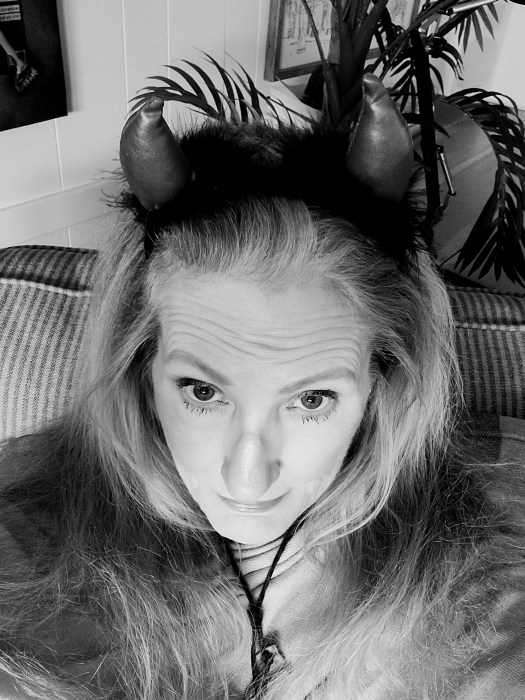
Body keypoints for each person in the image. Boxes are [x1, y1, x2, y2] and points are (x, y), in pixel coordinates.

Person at [0, 69, 524, 700]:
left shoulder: (480, 567)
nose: (247, 480)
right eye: (202, 392)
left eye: (311, 400)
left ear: (381, 381)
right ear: (141, 365)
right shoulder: (24, 540)